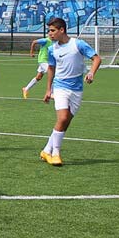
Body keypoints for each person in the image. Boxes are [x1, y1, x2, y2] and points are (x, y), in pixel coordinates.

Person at [40, 17, 101, 166]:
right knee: (62, 118)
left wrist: (91, 73)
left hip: (77, 89)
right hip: (60, 87)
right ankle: (56, 153)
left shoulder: (77, 44)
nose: (50, 34)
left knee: (65, 122)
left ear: (62, 30)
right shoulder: (51, 49)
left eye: (52, 30)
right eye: (49, 31)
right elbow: (51, 69)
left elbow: (96, 59)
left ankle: (46, 150)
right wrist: (48, 90)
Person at [22, 35, 52, 99]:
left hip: (48, 61)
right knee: (52, 74)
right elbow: (34, 42)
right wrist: (31, 52)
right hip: (43, 60)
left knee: (39, 77)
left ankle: (26, 89)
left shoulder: (55, 41)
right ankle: (52, 93)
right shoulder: (45, 40)